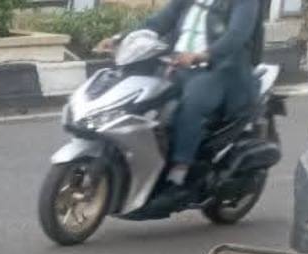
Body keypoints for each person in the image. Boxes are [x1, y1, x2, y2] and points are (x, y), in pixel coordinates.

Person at [99, 0, 262, 208]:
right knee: (143, 97)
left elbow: (237, 35)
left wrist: (203, 55)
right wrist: (120, 40)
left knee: (191, 104)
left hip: (219, 69)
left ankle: (180, 172)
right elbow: (159, 22)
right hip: (178, 64)